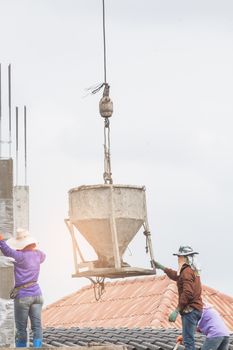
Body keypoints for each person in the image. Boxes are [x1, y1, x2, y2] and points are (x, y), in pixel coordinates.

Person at [0, 228, 46, 348]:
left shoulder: (19, 256)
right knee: (37, 326)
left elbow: (6, 250)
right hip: (37, 295)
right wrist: (33, 247)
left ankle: (20, 348)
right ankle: (38, 347)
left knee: (21, 328)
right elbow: (43, 256)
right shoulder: (38, 254)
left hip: (23, 296)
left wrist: (0, 240)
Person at [153, 245, 203, 350]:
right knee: (188, 340)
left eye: (180, 257)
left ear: (186, 258)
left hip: (190, 310)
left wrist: (176, 310)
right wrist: (162, 267)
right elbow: (176, 276)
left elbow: (187, 293)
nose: (178, 259)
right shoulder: (190, 271)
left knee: (188, 341)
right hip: (195, 310)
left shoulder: (187, 271)